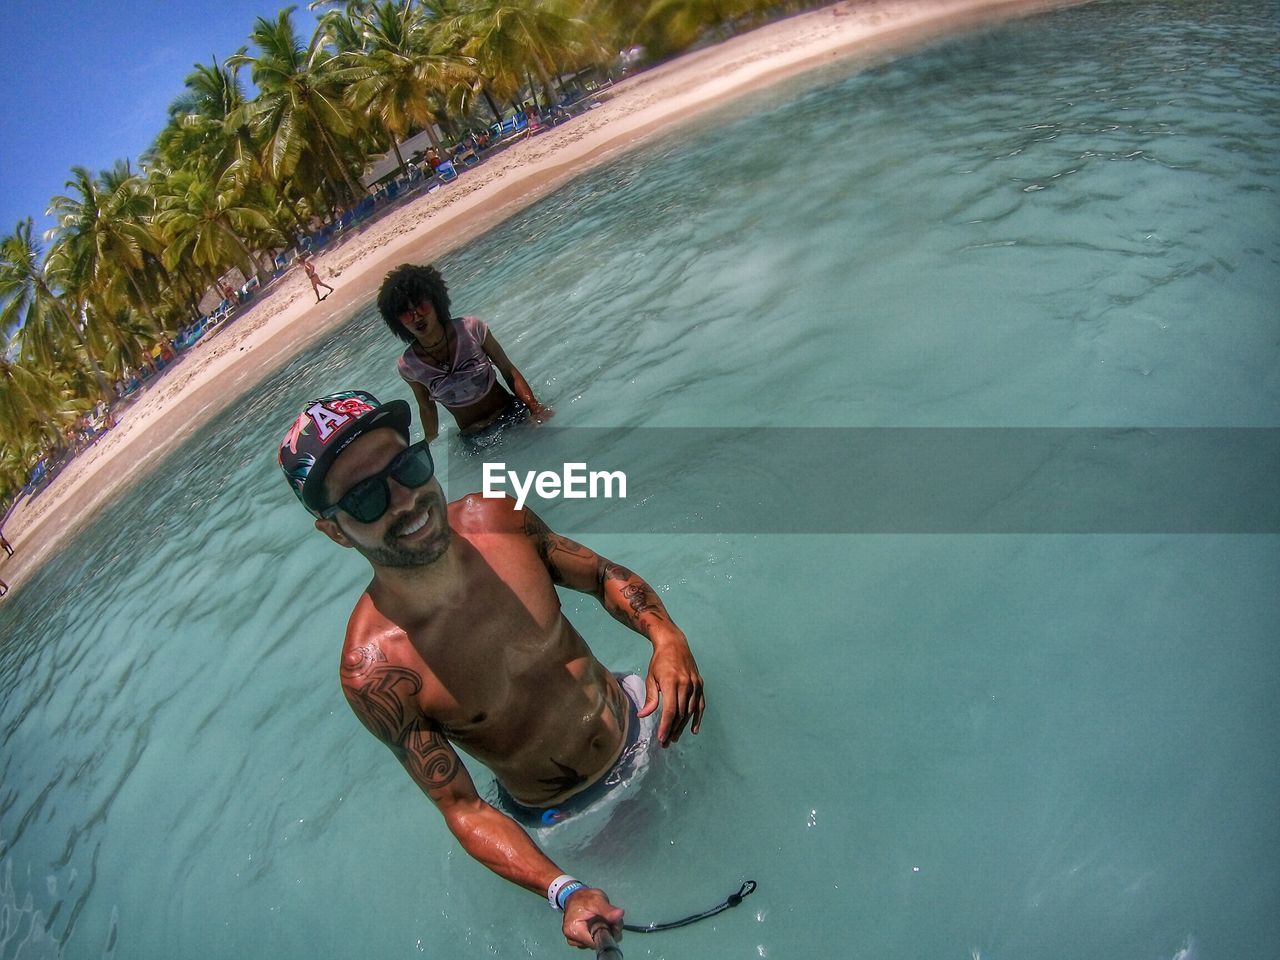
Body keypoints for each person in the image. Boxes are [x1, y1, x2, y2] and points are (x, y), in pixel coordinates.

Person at [277, 391, 704, 949]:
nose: (404, 500)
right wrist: (565, 889)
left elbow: (600, 576)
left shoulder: (500, 518)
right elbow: (463, 808)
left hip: (651, 718)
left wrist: (667, 637)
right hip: (577, 821)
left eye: (407, 466)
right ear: (335, 530)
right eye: (363, 498)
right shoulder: (376, 671)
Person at [377, 264, 552, 449]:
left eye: (421, 305)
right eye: (406, 313)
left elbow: (508, 370)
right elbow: (427, 407)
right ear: (396, 321)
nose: (416, 316)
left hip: (512, 414)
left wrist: (535, 407)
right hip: (476, 438)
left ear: (436, 302)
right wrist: (428, 444)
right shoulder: (409, 366)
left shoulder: (471, 329)